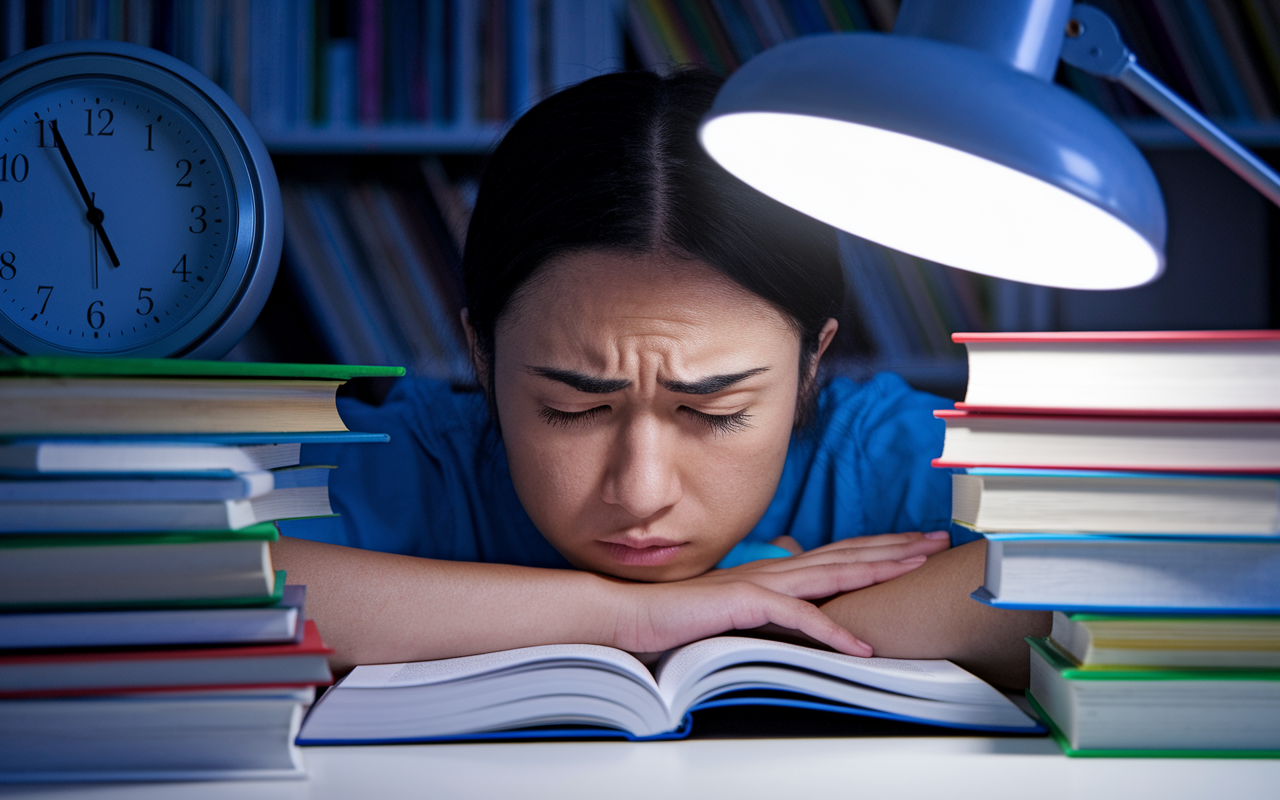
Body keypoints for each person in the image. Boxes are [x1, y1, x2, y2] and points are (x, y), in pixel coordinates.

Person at [274, 69, 1048, 689]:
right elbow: (190, 574)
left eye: (715, 411)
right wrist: (626, 616)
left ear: (813, 363)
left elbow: (1128, 554)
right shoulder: (432, 461)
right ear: (483, 358)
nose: (641, 493)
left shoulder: (869, 450)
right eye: (572, 408)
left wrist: (766, 629)